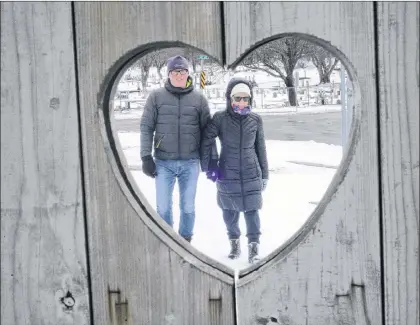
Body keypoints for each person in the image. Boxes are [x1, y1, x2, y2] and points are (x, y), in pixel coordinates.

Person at [140, 55, 212, 243]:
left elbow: (208, 133)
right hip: (164, 162)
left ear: (188, 73)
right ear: (169, 74)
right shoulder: (156, 97)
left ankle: (185, 241)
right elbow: (146, 127)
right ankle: (168, 241)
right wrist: (146, 156)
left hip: (190, 162)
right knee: (163, 207)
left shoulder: (199, 99)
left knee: (188, 206)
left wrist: (211, 159)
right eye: (175, 71)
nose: (179, 75)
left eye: (183, 71)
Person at [201, 78, 269, 264]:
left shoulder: (255, 120)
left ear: (250, 100)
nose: (241, 102)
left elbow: (260, 148)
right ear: (230, 99)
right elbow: (207, 139)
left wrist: (265, 175)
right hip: (227, 172)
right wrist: (210, 165)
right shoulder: (220, 118)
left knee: (252, 211)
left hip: (251, 172)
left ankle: (254, 248)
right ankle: (234, 243)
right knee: (229, 211)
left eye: (245, 99)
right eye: (237, 98)